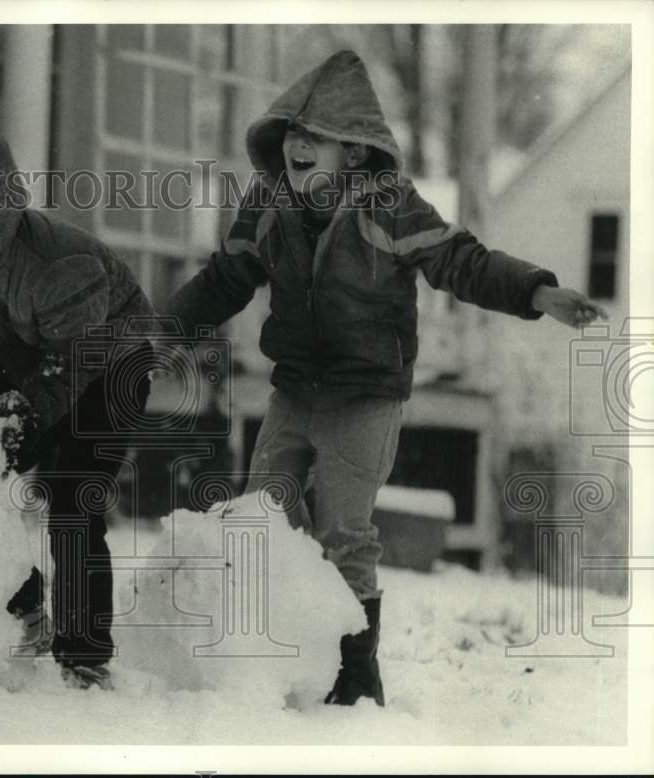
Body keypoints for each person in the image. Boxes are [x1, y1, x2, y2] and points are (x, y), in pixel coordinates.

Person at [160, 50, 607, 707]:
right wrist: (164, 328)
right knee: (257, 520)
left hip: (366, 398)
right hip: (294, 391)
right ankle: (264, 658)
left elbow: (462, 260)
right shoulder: (269, 206)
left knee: (345, 534)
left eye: (318, 137)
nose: (299, 146)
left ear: (357, 153)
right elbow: (226, 279)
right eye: (292, 134)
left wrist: (537, 293)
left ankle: (355, 679)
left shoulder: (390, 207)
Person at [0, 114, 155, 690]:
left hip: (110, 360)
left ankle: (85, 652)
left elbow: (72, 363)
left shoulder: (56, 269)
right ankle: (28, 608)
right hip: (32, 354)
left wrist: (24, 416)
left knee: (72, 497)